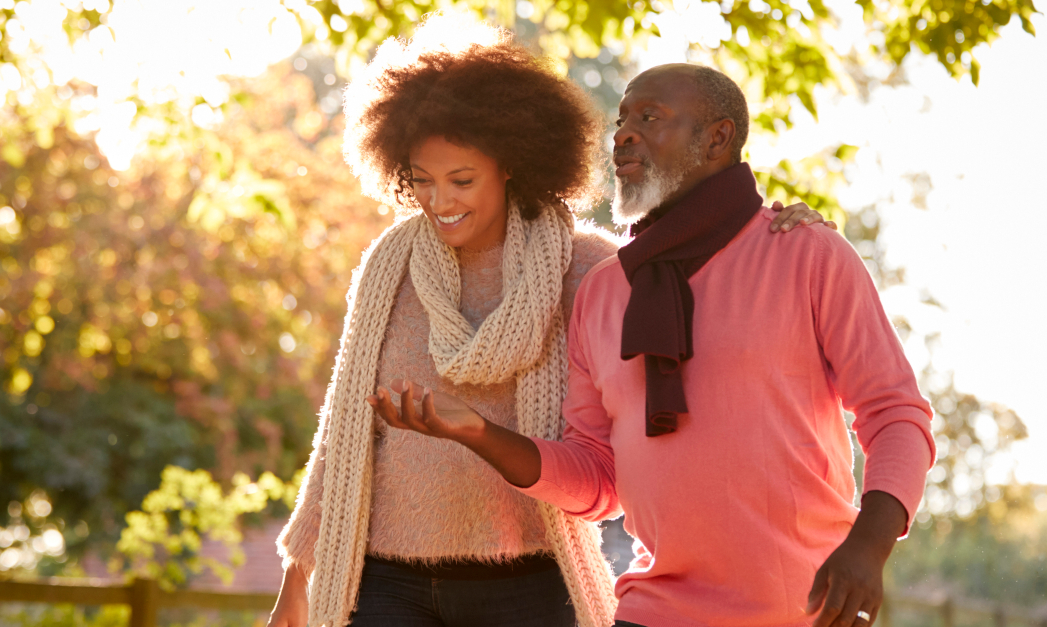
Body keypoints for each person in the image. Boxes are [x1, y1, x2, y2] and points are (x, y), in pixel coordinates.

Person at [272, 19, 833, 627]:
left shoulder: (587, 270)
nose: (440, 202)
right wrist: (294, 593)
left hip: (532, 582)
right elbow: (341, 440)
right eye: (422, 182)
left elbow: (688, 270)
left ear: (511, 164)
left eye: (461, 180)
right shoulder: (389, 269)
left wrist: (773, 225)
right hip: (387, 580)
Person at [369, 62, 934, 627]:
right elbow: (598, 479)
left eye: (650, 117)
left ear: (718, 137)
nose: (623, 134)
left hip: (801, 608)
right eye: (621, 120)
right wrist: (480, 434)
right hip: (651, 610)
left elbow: (896, 414)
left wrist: (869, 545)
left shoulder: (806, 254)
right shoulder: (604, 292)